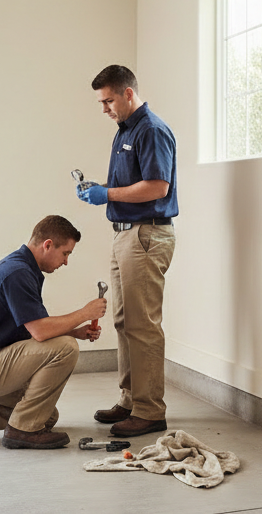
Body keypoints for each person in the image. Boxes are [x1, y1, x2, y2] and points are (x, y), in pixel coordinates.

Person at [0, 215, 106, 449]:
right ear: (47, 245)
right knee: (66, 349)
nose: (66, 262)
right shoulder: (17, 272)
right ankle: (21, 431)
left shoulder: (24, 268)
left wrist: (76, 331)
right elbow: (40, 331)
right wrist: (85, 313)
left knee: (46, 416)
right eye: (65, 253)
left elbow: (34, 331)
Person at [77, 64, 178, 438]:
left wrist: (109, 194)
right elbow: (131, 185)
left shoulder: (150, 130)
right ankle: (131, 398)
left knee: (143, 324)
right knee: (123, 321)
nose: (104, 109)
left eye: (108, 101)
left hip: (146, 236)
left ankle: (151, 411)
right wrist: (99, 189)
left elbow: (157, 187)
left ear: (127, 94)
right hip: (124, 234)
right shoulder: (126, 131)